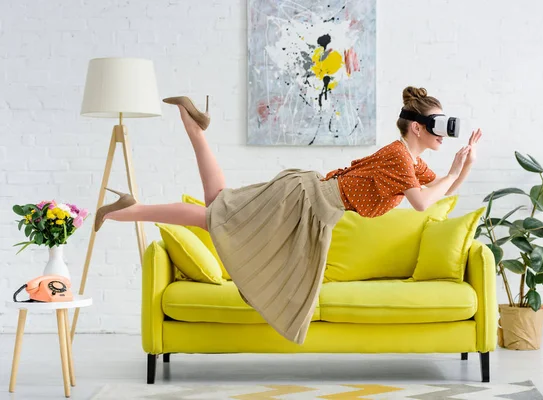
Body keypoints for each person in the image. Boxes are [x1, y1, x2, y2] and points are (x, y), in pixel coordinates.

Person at [94, 86, 482, 345]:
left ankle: (193, 129)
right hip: (306, 202)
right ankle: (130, 209)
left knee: (217, 203)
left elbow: (438, 193)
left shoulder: (412, 162)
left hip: (311, 205)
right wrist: (452, 170)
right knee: (214, 215)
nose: (444, 135)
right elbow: (421, 203)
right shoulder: (400, 157)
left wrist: (460, 168)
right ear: (417, 127)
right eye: (439, 127)